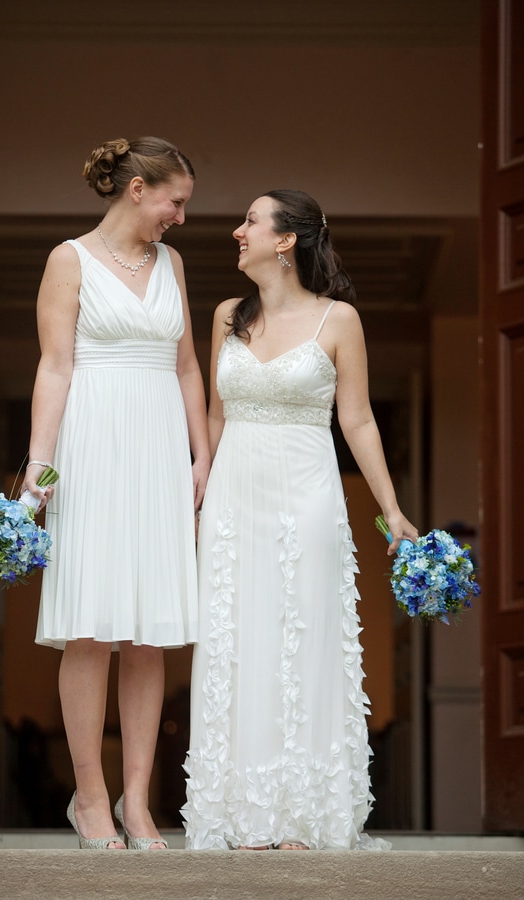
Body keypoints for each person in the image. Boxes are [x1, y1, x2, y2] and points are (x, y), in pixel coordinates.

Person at [182, 189, 418, 851]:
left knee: (303, 639)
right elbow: (217, 416)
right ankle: (242, 814)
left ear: (286, 240)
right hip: (233, 499)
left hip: (308, 496)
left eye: (250, 222)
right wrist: (199, 487)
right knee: (236, 641)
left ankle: (303, 818)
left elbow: (359, 419)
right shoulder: (228, 315)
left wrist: (392, 509)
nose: (237, 231)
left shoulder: (338, 320)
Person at [22, 137, 210, 850]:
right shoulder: (67, 261)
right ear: (137, 189)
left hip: (160, 456)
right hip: (94, 450)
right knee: (93, 628)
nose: (181, 217)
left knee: (149, 635)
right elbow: (55, 370)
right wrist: (38, 472)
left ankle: (139, 801)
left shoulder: (173, 264)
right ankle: (91, 798)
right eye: (176, 201)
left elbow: (188, 367)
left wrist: (201, 455)